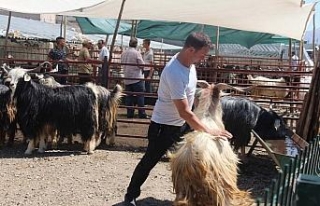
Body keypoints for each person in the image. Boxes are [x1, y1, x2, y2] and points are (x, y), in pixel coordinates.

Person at [123, 32, 233, 206]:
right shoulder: (174, 71)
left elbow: (189, 97)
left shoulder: (190, 64)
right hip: (165, 126)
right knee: (149, 161)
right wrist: (209, 129)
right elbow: (183, 111)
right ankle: (130, 197)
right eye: (202, 54)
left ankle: (193, 196)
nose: (203, 58)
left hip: (182, 123)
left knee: (193, 159)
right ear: (190, 49)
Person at [121, 37, 148, 119]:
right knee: (140, 95)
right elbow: (142, 65)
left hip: (127, 77)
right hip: (136, 78)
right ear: (136, 44)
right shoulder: (136, 53)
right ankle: (141, 113)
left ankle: (129, 113)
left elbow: (121, 63)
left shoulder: (124, 53)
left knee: (129, 96)